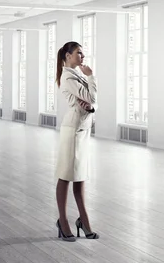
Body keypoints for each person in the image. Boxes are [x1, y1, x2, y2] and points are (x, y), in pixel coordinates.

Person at [54, 41, 100, 241]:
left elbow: (92, 101)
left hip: (82, 129)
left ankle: (84, 220)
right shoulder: (68, 77)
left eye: (83, 53)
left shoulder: (77, 75)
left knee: (80, 177)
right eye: (79, 53)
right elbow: (91, 95)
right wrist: (91, 76)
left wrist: (91, 106)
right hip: (72, 130)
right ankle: (63, 221)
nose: (82, 57)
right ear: (68, 56)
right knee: (65, 175)